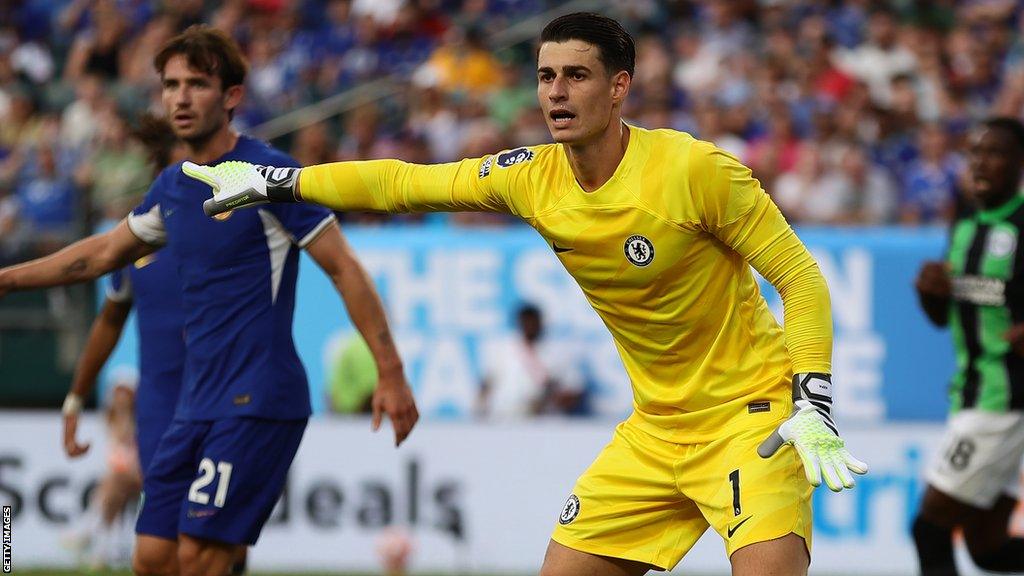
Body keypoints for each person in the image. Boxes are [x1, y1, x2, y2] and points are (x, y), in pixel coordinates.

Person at [185, 12, 866, 576]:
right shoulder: (531, 178)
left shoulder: (694, 170)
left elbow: (800, 278)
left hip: (753, 422)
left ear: (619, 86)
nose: (556, 93)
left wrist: (813, 401)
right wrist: (282, 184)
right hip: (656, 432)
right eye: (545, 77)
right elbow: (402, 184)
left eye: (576, 76)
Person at [0, 25, 419, 576]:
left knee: (201, 557)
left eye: (196, 84)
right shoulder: (173, 186)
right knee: (153, 558)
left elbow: (345, 268)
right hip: (193, 404)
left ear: (232, 96)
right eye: (170, 84)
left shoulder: (269, 175)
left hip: (257, 398)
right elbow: (102, 254)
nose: (179, 96)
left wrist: (390, 372)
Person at [60, 113, 185, 571]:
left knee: (212, 547)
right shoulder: (136, 245)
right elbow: (109, 319)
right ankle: (98, 537)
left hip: (225, 403)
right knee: (158, 557)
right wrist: (75, 397)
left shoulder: (238, 228)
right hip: (159, 411)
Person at [911, 117, 1024, 576]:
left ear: (1018, 164)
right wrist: (929, 293)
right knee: (987, 548)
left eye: (994, 152)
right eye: (975, 152)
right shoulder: (964, 223)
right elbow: (943, 320)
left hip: (1001, 400)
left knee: (929, 527)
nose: (980, 161)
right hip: (971, 391)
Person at [477, 303, 585, 418]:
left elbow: (575, 389)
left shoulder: (557, 352)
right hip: (504, 417)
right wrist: (480, 410)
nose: (530, 326)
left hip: (542, 421)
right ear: (519, 323)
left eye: (533, 322)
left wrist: (555, 399)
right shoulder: (503, 349)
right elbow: (486, 383)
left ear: (540, 323)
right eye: (526, 322)